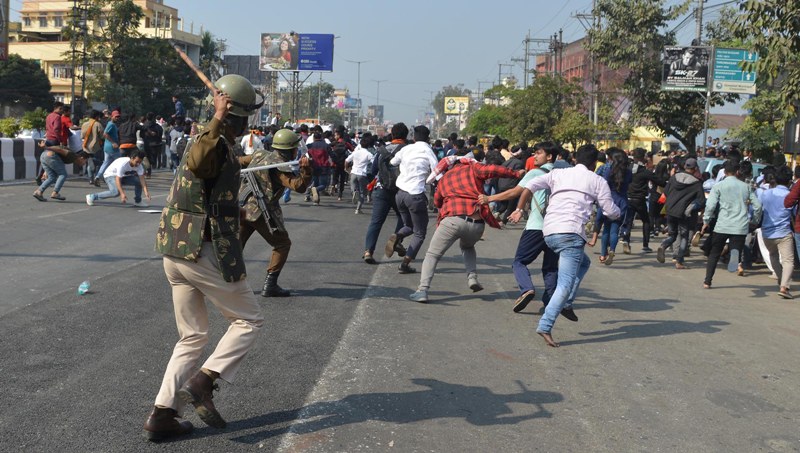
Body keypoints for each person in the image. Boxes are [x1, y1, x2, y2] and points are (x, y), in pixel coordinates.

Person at [144, 75, 264, 441]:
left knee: (192, 336)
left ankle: (163, 415)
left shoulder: (213, 141)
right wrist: (217, 115)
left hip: (176, 250)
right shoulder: (209, 139)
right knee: (248, 321)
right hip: (201, 251)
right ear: (239, 117)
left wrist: (234, 213)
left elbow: (204, 188)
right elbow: (199, 163)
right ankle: (205, 380)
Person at [515, 144, 620, 347]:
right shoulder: (597, 180)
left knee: (584, 263)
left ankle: (568, 302)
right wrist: (619, 213)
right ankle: (546, 324)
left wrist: (520, 208)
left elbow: (530, 186)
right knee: (564, 283)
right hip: (571, 234)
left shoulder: (558, 174)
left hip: (549, 232)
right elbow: (609, 211)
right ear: (593, 164)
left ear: (575, 159)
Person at [408, 154, 523, 302]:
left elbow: (437, 201)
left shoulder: (445, 178)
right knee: (467, 247)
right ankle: (472, 278)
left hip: (453, 221)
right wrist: (515, 173)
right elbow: (493, 169)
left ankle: (422, 290)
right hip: (477, 224)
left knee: (432, 255)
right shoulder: (474, 169)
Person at [482, 142, 559, 312]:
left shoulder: (536, 173)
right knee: (551, 267)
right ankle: (551, 301)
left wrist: (490, 198)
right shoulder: (561, 174)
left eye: (538, 153)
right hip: (556, 228)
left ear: (549, 156)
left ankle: (527, 288)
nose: (535, 156)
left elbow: (514, 192)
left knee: (519, 262)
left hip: (537, 226)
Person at [239, 129, 311, 298]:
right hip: (261, 212)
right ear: (291, 150)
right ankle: (270, 285)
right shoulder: (279, 167)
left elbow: (240, 161)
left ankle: (223, 283)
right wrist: (306, 171)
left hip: (243, 208)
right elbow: (299, 186)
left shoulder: (259, 155)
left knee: (235, 245)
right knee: (282, 244)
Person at [386, 125, 439, 274]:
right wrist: (428, 180)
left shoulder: (406, 149)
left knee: (408, 225)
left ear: (414, 138)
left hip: (400, 194)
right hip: (415, 195)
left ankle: (397, 236)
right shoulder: (429, 151)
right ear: (428, 138)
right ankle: (405, 264)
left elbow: (392, 163)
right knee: (420, 233)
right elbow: (437, 172)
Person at [701, 160, 762, 289]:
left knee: (714, 253)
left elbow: (710, 205)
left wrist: (706, 221)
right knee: (736, 248)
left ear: (724, 172)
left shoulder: (718, 186)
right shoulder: (746, 187)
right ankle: (735, 257)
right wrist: (755, 221)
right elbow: (757, 206)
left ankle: (707, 281)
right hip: (739, 226)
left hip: (722, 224)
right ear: (738, 172)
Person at [363, 123, 409, 264]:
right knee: (405, 218)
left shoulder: (381, 150)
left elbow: (373, 170)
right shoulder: (407, 150)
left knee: (376, 222)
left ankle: (368, 252)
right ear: (406, 136)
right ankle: (396, 238)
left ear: (393, 135)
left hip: (381, 190)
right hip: (400, 191)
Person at [656, 157, 705, 269]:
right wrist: (693, 206)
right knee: (684, 236)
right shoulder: (696, 183)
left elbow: (666, 192)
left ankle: (664, 246)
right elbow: (702, 201)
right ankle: (679, 261)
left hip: (670, 211)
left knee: (673, 235)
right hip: (683, 213)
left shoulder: (674, 178)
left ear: (685, 166)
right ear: (695, 168)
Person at [760, 165, 794, 298]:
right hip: (783, 232)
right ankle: (784, 287)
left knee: (773, 255)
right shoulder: (790, 195)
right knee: (788, 260)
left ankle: (781, 280)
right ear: (789, 181)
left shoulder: (766, 193)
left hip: (767, 232)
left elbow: (759, 208)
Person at [620, 148, 663, 253]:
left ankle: (626, 239)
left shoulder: (627, 169)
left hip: (628, 198)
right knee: (646, 221)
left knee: (629, 221)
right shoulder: (645, 171)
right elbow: (659, 181)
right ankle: (645, 245)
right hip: (640, 199)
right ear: (643, 157)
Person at [85, 150, 151, 207]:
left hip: (123, 176)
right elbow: (117, 179)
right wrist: (122, 194)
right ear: (132, 158)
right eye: (137, 162)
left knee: (138, 181)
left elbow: (142, 179)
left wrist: (146, 192)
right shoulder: (123, 164)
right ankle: (92, 196)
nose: (138, 164)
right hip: (110, 175)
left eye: (140, 162)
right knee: (115, 192)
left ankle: (138, 201)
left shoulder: (139, 166)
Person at [346, 133, 375, 214]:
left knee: (353, 187)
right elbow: (373, 163)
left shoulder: (356, 152)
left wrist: (346, 168)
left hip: (353, 173)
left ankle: (354, 192)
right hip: (362, 174)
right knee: (363, 192)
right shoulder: (369, 154)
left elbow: (347, 160)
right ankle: (358, 209)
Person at [94, 109, 122, 179]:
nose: (117, 118)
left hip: (107, 147)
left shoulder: (112, 124)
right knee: (119, 163)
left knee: (106, 163)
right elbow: (105, 134)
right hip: (112, 148)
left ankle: (98, 176)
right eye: (116, 117)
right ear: (112, 116)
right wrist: (113, 143)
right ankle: (118, 178)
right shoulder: (111, 124)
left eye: (118, 117)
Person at [81, 109, 105, 186]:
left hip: (86, 147)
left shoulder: (84, 124)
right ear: (97, 116)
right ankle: (96, 177)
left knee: (89, 162)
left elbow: (82, 136)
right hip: (96, 147)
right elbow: (102, 136)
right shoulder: (98, 124)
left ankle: (90, 178)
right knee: (98, 163)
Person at [142, 112, 164, 177]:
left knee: (146, 158)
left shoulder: (144, 126)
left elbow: (141, 135)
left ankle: (148, 171)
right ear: (153, 118)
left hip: (146, 144)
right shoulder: (158, 127)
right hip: (155, 145)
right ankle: (149, 170)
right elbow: (160, 134)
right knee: (152, 159)